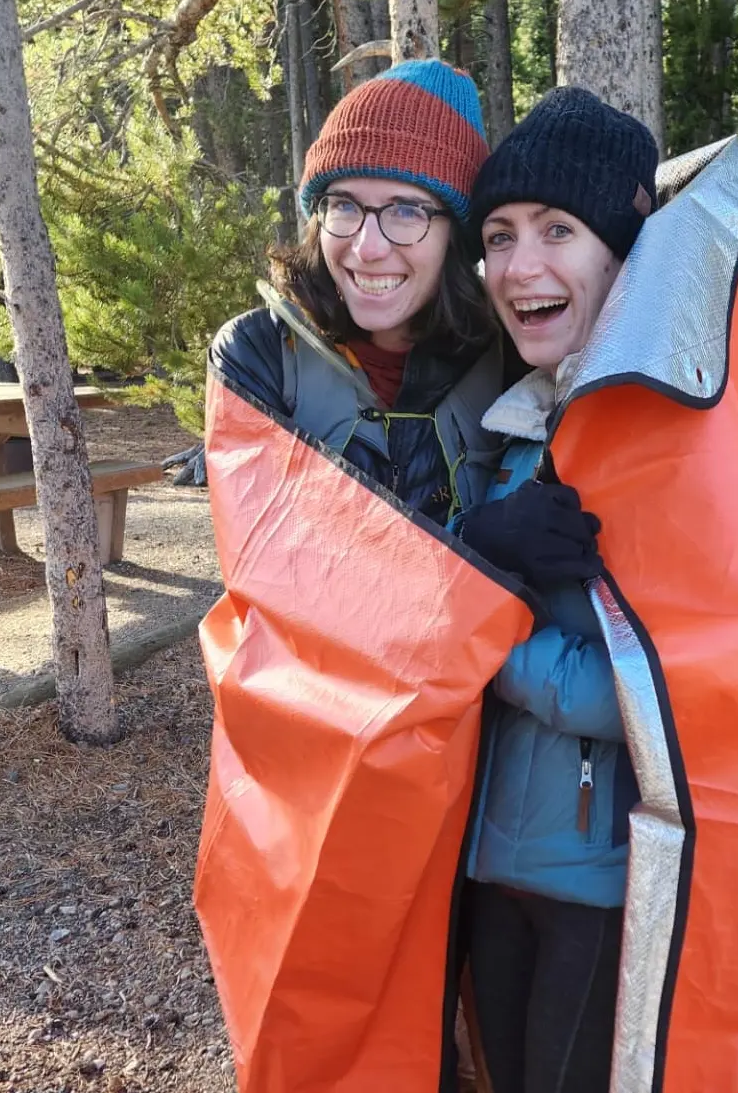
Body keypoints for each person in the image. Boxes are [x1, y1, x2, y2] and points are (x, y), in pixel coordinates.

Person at [453, 86, 660, 1093]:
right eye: (498, 233)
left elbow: (656, 695)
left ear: (620, 252)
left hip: (595, 879)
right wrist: (474, 547)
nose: (519, 264)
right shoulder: (515, 420)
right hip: (491, 863)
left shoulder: (666, 439)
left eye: (558, 230)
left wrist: (485, 637)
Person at [209, 58, 505, 522]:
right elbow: (267, 556)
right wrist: (481, 544)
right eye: (344, 205)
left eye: (407, 211)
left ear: (456, 239)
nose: (367, 248)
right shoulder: (260, 354)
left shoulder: (507, 363)